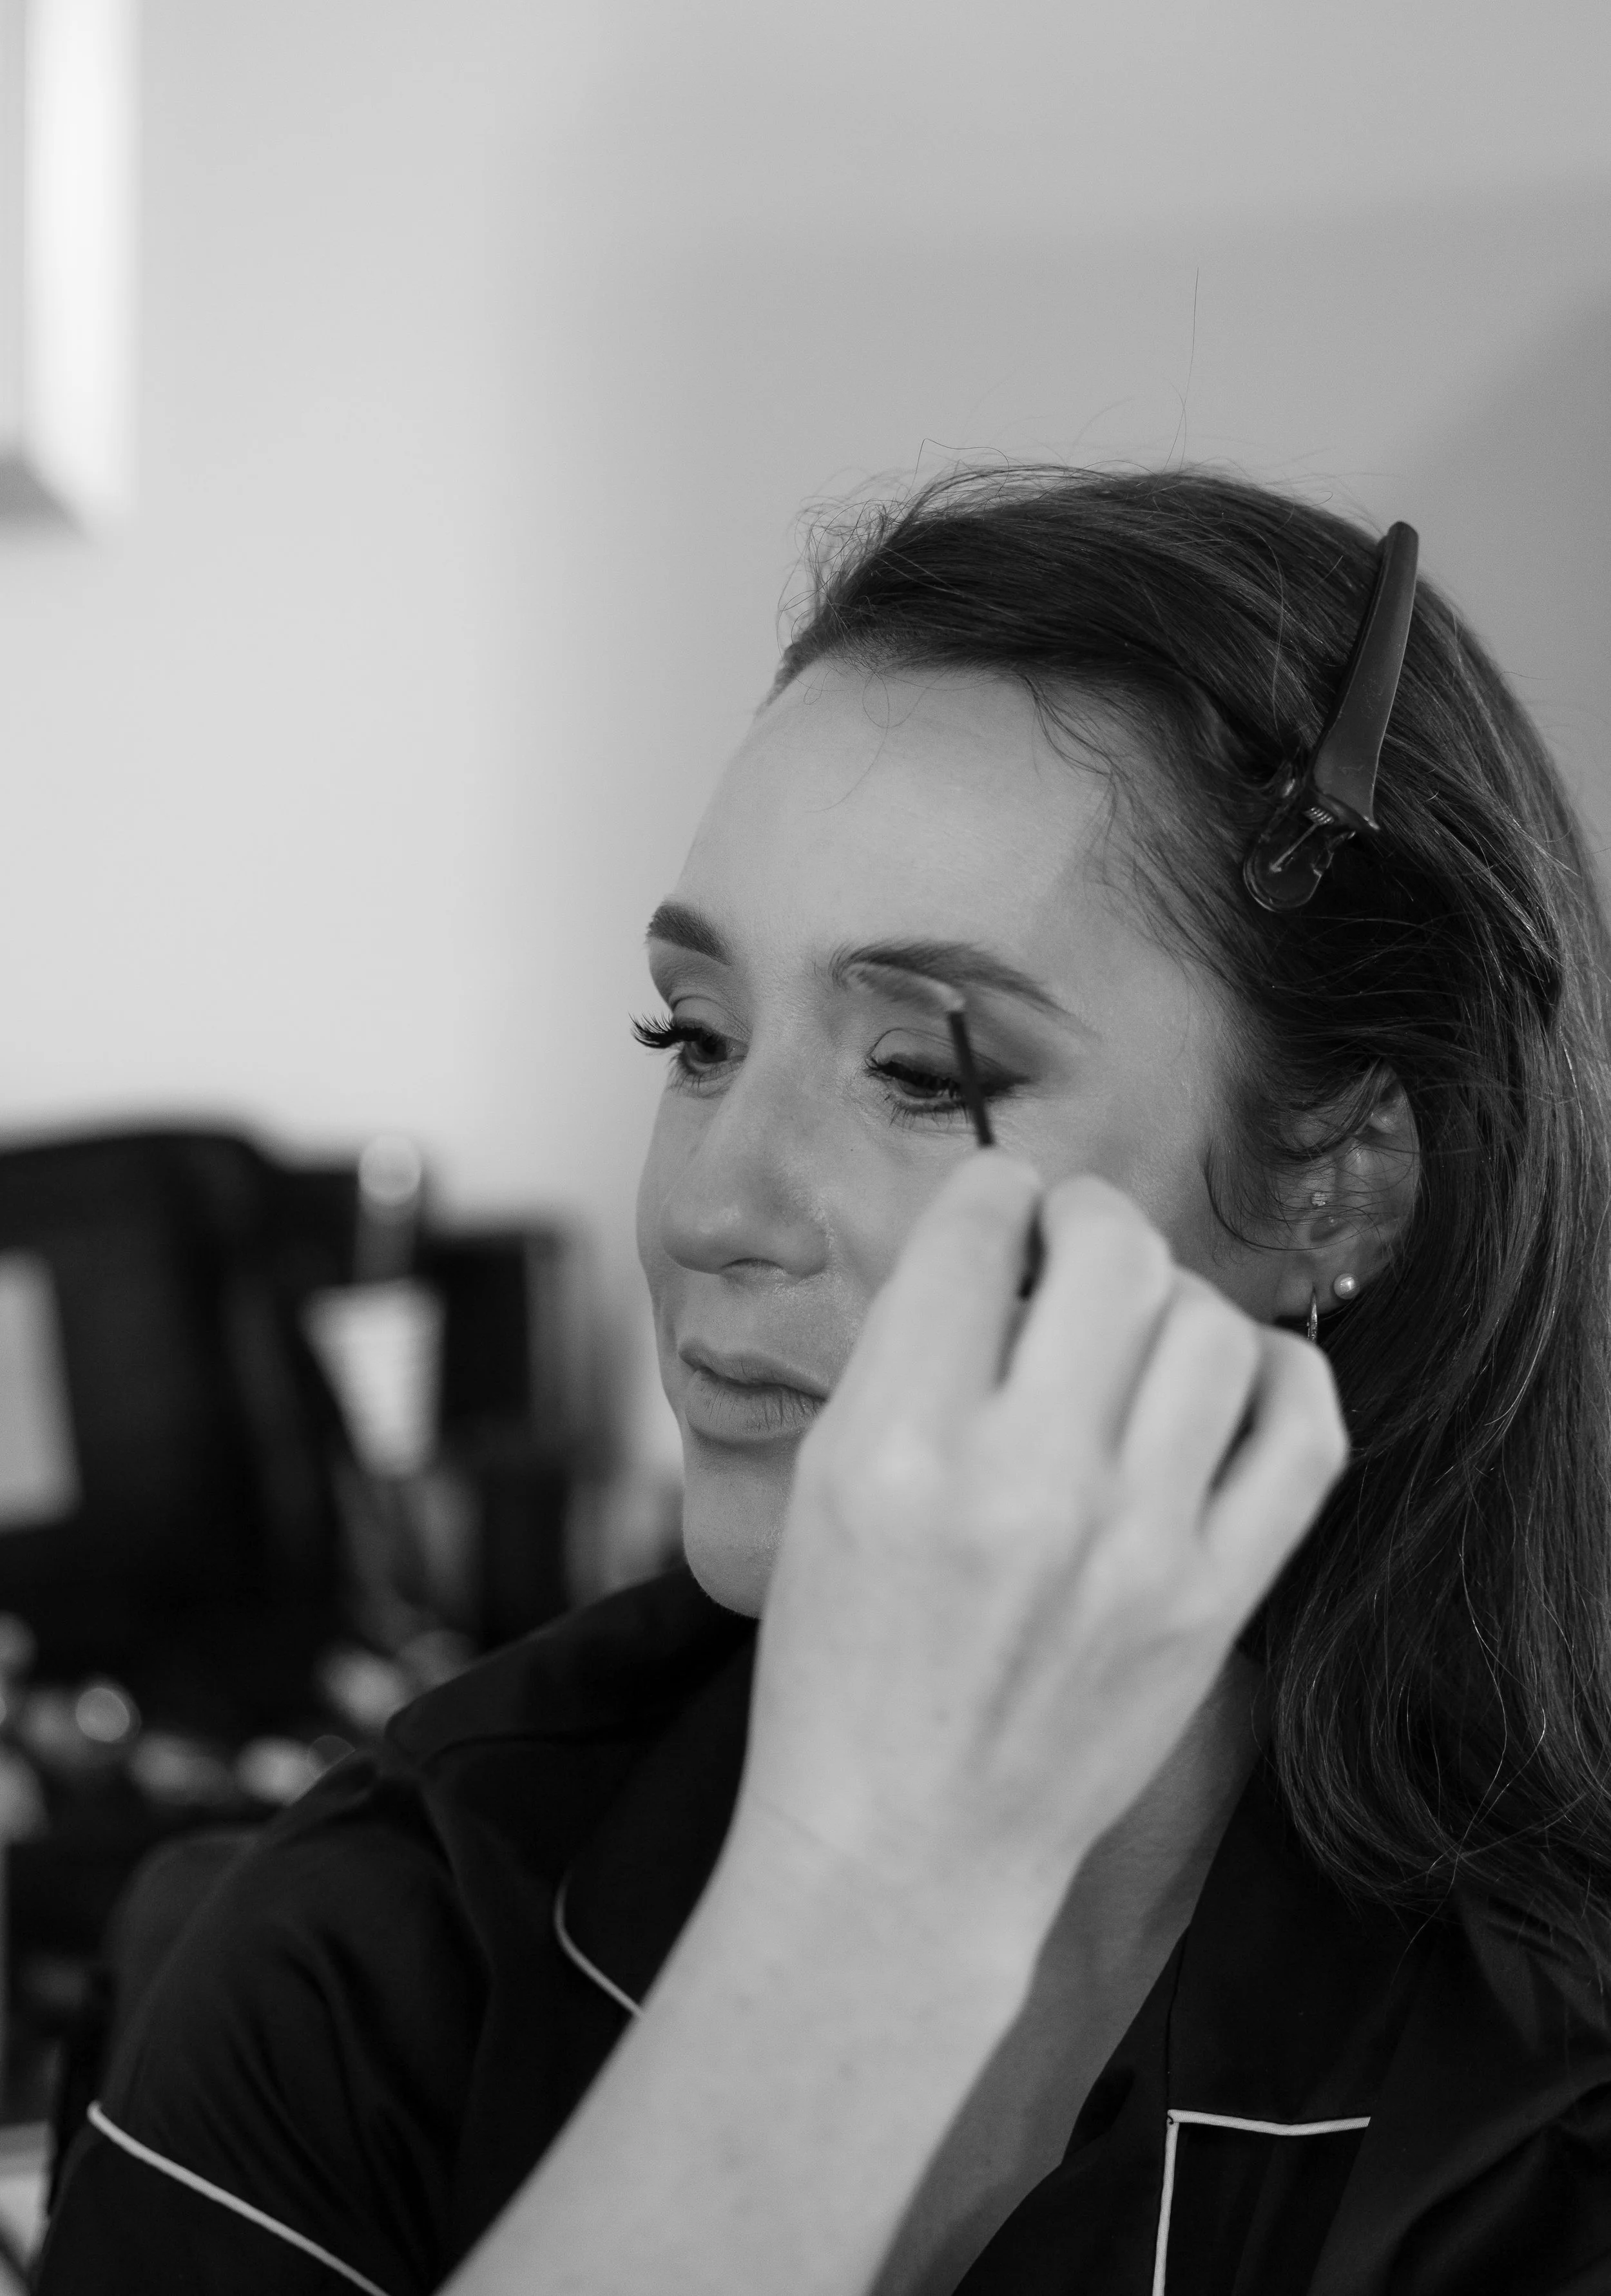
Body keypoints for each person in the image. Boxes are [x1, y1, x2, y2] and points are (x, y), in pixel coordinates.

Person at [35, 466, 1611, 2295]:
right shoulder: (373, 1955)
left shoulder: (1537, 2117)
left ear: (1332, 1181)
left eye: (921, 1075)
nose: (713, 1204)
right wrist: (872, 1909)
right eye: (695, 1038)